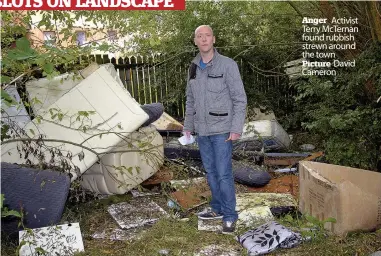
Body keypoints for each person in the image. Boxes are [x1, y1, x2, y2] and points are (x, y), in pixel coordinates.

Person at [183, 25, 247, 234]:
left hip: (222, 130)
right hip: (202, 131)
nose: (203, 39)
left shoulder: (228, 65)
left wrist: (236, 127)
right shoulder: (193, 66)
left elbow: (239, 99)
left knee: (223, 174)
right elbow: (190, 100)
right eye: (199, 36)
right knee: (210, 173)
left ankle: (230, 216)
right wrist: (188, 128)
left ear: (214, 39)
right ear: (195, 41)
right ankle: (217, 208)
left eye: (207, 35)